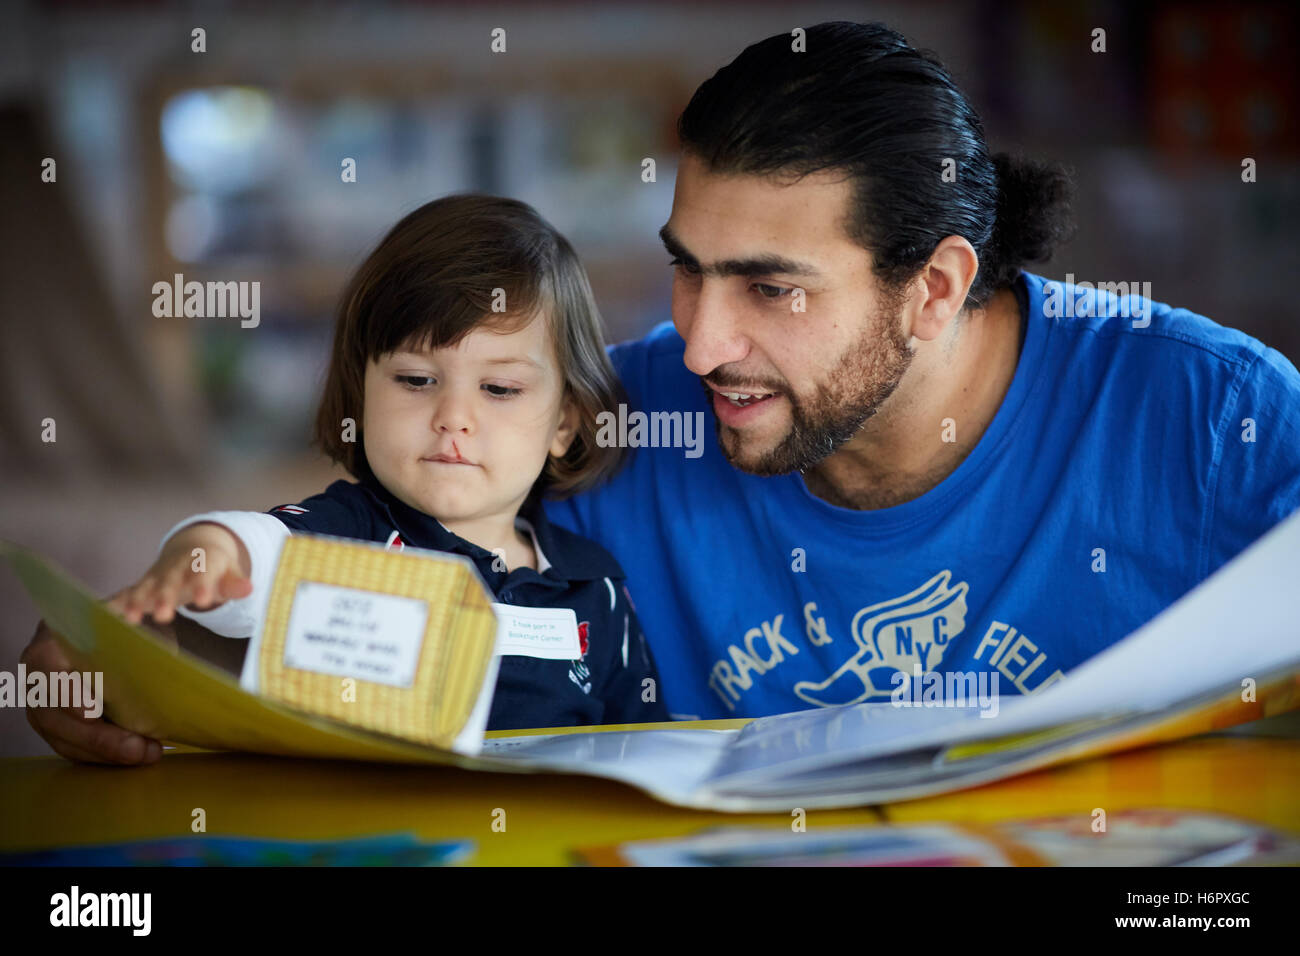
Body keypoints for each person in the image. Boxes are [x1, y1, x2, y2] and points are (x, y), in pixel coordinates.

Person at [23, 19, 1300, 759]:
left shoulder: (1206, 419)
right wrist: (136, 653)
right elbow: (360, 593)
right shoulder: (593, 422)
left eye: (771, 287)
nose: (695, 345)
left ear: (933, 286)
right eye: (686, 271)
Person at [24, 194, 668, 763]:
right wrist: (207, 551)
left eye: (499, 388)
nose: (453, 419)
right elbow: (259, 553)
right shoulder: (350, 534)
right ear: (361, 394)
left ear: (565, 425)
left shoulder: (597, 587)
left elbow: (649, 750)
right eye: (417, 380)